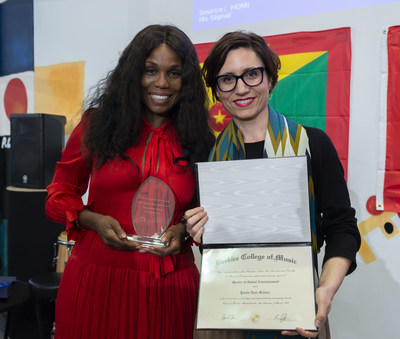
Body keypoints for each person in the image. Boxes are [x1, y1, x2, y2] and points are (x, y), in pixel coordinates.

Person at [185, 31, 361, 339]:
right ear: (216, 90)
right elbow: (211, 240)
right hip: (225, 316)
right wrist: (198, 230)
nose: (241, 88)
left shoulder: (312, 144)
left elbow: (343, 229)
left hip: (295, 312)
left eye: (252, 74)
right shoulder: (208, 158)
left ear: (270, 78)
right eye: (227, 79)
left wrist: (325, 290)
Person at [45, 24, 214, 339]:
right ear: (133, 73)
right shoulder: (97, 125)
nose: (161, 83)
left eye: (174, 73)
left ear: (187, 80)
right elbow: (56, 197)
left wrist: (182, 232)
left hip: (170, 288)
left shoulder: (201, 140)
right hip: (96, 281)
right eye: (151, 70)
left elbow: (204, 214)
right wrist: (92, 219)